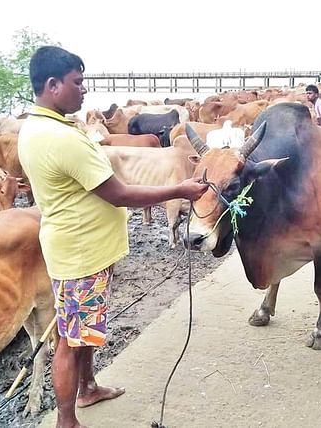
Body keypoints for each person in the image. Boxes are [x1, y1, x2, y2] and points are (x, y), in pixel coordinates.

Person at [17, 46, 208, 428]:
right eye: (77, 82)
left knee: (82, 331)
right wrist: (179, 190)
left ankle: (88, 387)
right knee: (71, 341)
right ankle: (66, 420)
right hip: (80, 256)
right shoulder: (59, 138)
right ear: (53, 85)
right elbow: (118, 193)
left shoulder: (41, 127)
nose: (84, 90)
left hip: (80, 249)